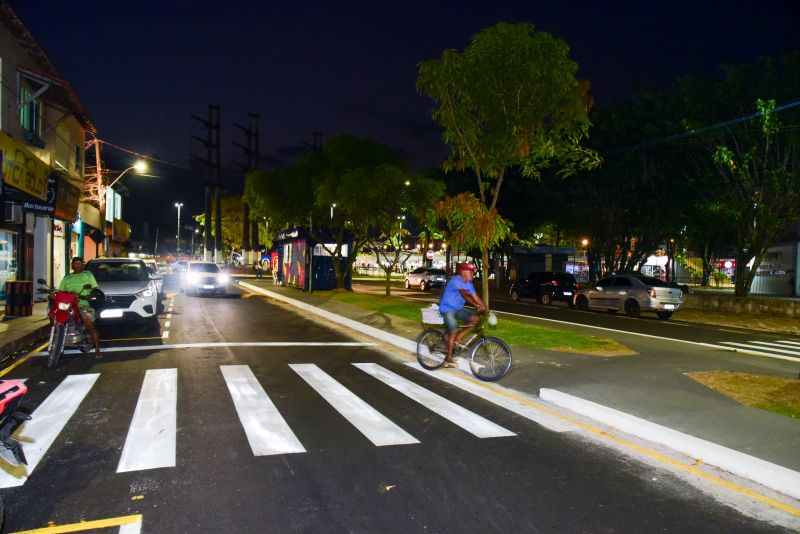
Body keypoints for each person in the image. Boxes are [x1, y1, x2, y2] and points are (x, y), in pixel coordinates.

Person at [438, 262, 486, 367]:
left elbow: (475, 296)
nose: (472, 275)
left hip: (458, 309)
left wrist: (485, 307)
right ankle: (448, 358)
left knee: (475, 319)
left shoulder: (469, 284)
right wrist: (476, 305)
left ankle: (459, 337)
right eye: (470, 272)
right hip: (447, 309)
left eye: (473, 272)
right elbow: (464, 296)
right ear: (463, 272)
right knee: (453, 331)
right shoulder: (456, 280)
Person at [58, 256, 101, 357]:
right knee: (54, 316)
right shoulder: (67, 278)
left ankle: (97, 348)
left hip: (83, 304)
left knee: (89, 324)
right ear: (72, 265)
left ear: (83, 265)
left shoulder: (88, 274)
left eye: (79, 263)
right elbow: (60, 291)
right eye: (75, 263)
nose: (77, 265)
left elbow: (95, 289)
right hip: (68, 305)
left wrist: (90, 295)